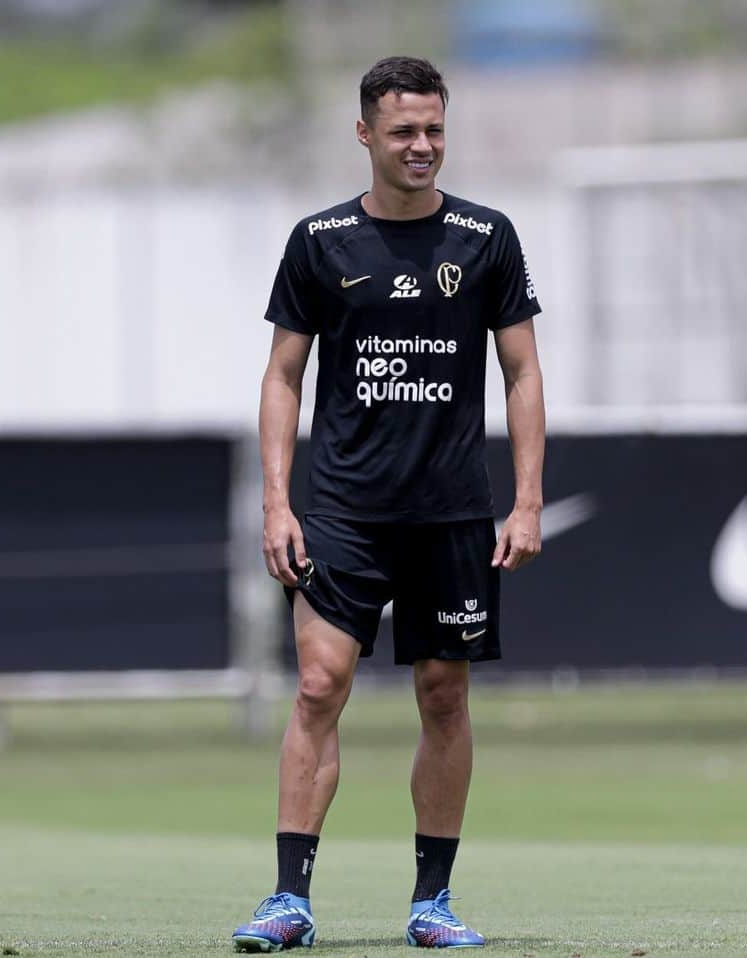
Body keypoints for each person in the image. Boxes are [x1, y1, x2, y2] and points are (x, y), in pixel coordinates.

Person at [232, 55, 545, 952]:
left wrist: (525, 502)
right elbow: (283, 376)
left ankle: (431, 903)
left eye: (435, 130)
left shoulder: (487, 238)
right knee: (319, 684)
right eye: (404, 131)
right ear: (365, 133)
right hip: (341, 509)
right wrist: (276, 504)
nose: (422, 146)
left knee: (444, 696)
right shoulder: (320, 241)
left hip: (451, 511)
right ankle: (289, 899)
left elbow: (521, 373)